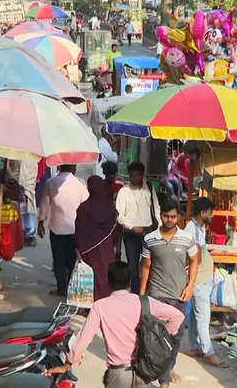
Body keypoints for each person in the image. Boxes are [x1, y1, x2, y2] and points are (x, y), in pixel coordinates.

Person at [44, 261, 184, 388]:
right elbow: (177, 316)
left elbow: (83, 340)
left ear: (108, 281)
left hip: (117, 373)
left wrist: (66, 365)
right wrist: (161, 336)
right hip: (144, 371)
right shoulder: (144, 302)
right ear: (129, 282)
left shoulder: (100, 307)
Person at [139, 199, 198, 388]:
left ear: (178, 217)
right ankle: (160, 378)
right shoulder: (150, 239)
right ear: (160, 215)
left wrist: (190, 286)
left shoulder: (187, 239)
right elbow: (146, 267)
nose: (170, 219)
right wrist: (141, 294)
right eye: (166, 216)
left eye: (173, 216)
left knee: (175, 337)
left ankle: (167, 369)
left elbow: (195, 261)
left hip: (180, 295)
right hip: (157, 295)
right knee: (153, 335)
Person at [183, 198, 227, 368]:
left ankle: (194, 346)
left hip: (203, 279)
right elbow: (193, 257)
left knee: (195, 315)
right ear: (202, 213)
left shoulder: (199, 227)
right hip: (199, 281)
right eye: (210, 212)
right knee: (203, 317)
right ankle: (209, 352)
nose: (212, 215)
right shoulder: (191, 229)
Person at [38, 164, 89, 297]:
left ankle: (61, 288)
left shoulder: (51, 182)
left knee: (58, 260)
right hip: (75, 229)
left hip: (57, 228)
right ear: (74, 169)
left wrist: (40, 222)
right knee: (73, 259)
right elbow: (86, 204)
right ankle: (71, 288)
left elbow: (44, 204)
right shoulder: (80, 183)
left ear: (59, 167)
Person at [116, 161, 161, 293]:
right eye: (132, 175)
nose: (135, 178)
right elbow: (119, 215)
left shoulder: (150, 189)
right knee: (133, 266)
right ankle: (136, 293)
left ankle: (150, 291)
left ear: (142, 175)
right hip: (131, 233)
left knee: (150, 263)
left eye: (138, 175)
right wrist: (132, 226)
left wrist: (160, 229)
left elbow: (156, 210)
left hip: (148, 231)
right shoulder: (123, 191)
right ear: (129, 175)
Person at [75, 176, 120, 301]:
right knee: (105, 274)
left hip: (89, 249)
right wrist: (114, 243)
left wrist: (78, 248)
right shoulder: (110, 207)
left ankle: (90, 303)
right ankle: (107, 301)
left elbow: (79, 230)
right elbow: (114, 228)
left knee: (91, 275)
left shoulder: (83, 208)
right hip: (107, 246)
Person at [10, 160, 39, 247]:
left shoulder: (31, 153)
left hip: (28, 182)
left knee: (29, 209)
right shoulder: (15, 151)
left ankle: (31, 235)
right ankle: (21, 233)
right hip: (17, 181)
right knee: (20, 210)